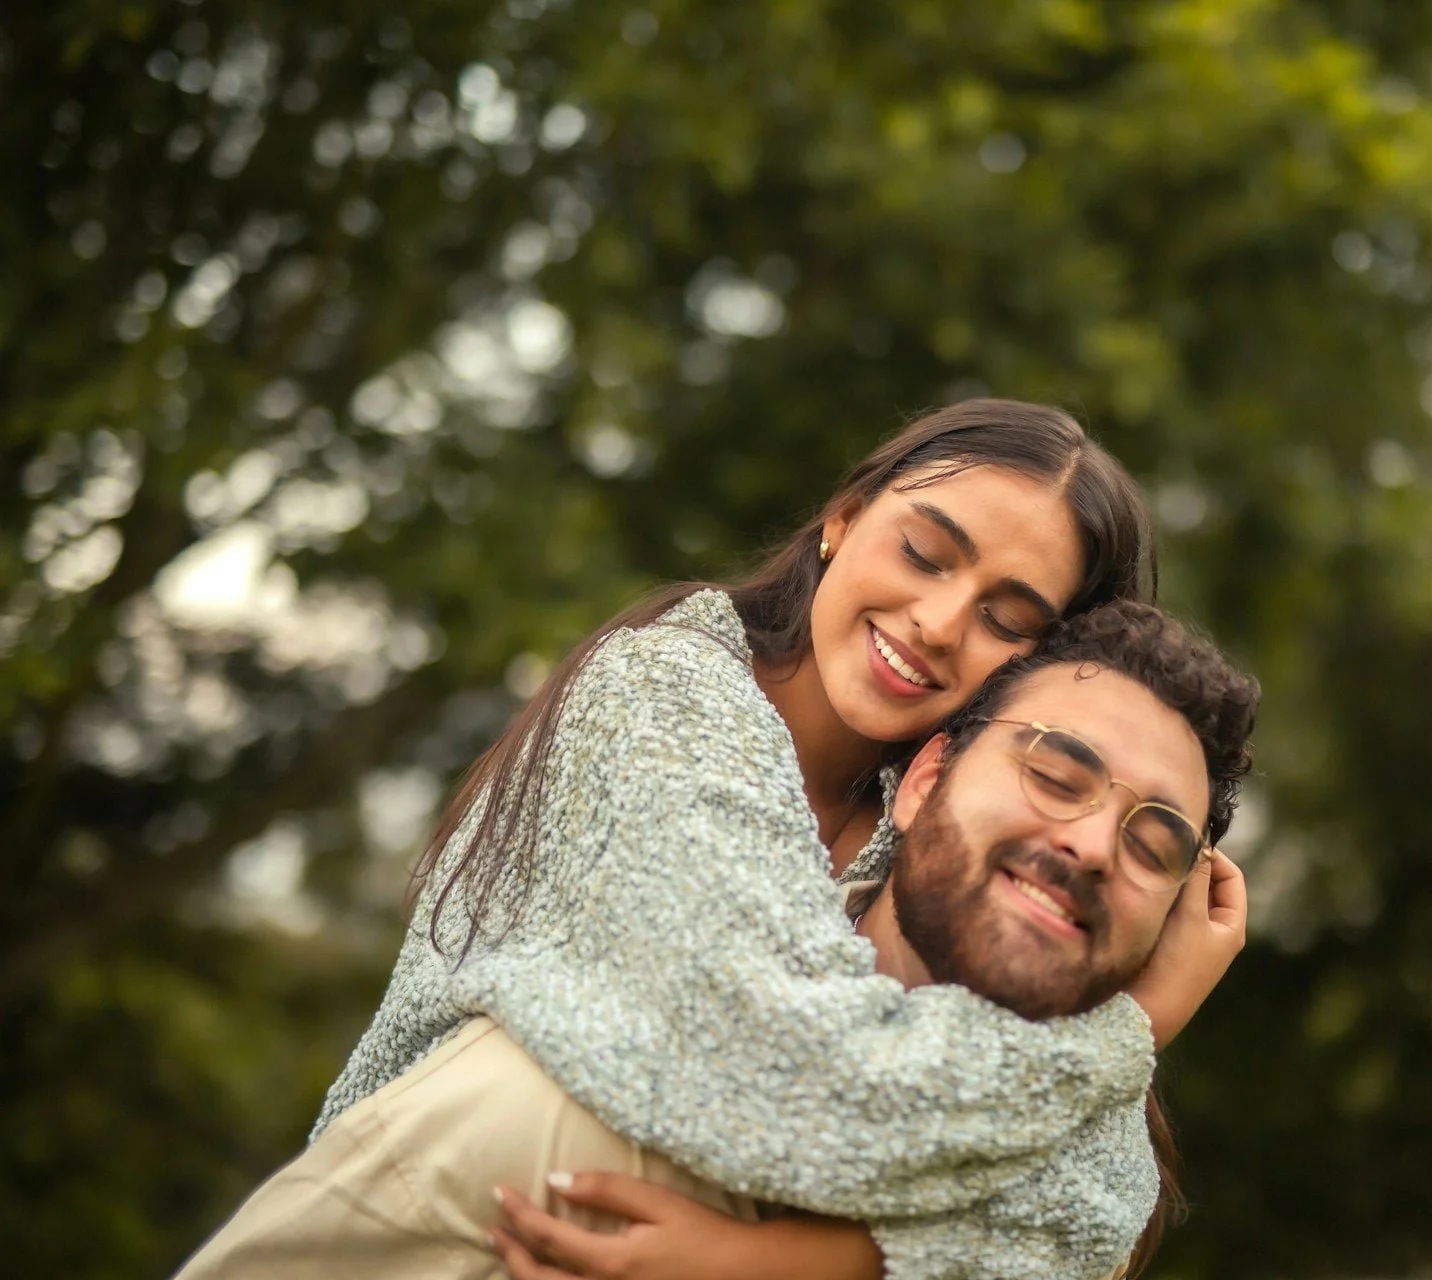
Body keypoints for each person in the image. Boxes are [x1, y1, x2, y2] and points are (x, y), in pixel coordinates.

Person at [175, 399, 1250, 1279]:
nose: (934, 619)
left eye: (1008, 618)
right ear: (843, 518)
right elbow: (792, 1067)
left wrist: (773, 1260)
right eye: (924, 552)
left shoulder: (953, 843)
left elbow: (1091, 1210)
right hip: (429, 1228)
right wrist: (1140, 1021)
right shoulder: (665, 696)